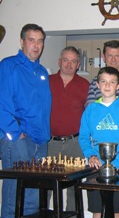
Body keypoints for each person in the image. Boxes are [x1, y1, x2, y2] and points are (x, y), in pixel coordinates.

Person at [0, 23, 51, 218]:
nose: (36, 45)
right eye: (31, 40)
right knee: (15, 193)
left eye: (40, 41)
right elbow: (1, 103)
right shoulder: (9, 65)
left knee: (34, 196)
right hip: (19, 140)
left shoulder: (42, 72)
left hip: (40, 141)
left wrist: (45, 135)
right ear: (22, 42)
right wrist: (14, 133)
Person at [79, 67, 119, 218]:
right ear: (97, 84)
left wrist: (115, 164)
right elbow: (84, 137)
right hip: (96, 166)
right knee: (97, 209)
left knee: (117, 210)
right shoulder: (91, 109)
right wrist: (91, 155)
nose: (107, 85)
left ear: (118, 86)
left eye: (112, 82)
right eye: (103, 81)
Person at [48, 46, 90, 212]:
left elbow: (90, 115)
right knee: (47, 185)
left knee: (74, 187)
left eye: (73, 61)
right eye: (66, 60)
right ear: (59, 61)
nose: (69, 64)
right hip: (50, 143)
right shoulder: (47, 82)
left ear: (78, 64)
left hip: (75, 143)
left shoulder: (85, 85)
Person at [85, 40, 119, 107]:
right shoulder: (95, 81)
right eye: (110, 55)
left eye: (117, 56)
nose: (113, 59)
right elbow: (90, 107)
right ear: (104, 57)